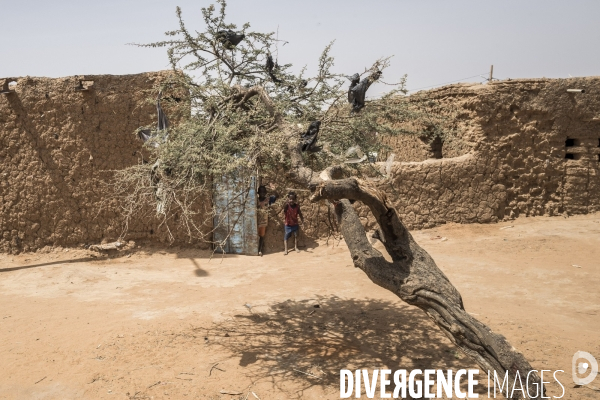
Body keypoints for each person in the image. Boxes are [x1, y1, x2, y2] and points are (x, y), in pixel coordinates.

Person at [256, 185, 271, 256]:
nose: (262, 193)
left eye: (263, 192)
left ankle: (259, 250)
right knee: (255, 235)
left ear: (265, 192)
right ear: (258, 192)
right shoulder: (255, 200)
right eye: (260, 192)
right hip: (255, 221)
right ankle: (255, 249)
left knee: (261, 236)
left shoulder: (267, 200)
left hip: (263, 222)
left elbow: (276, 195)